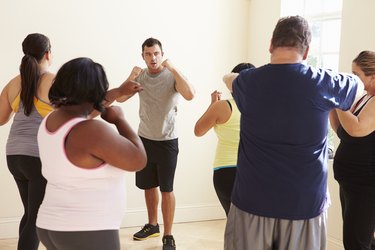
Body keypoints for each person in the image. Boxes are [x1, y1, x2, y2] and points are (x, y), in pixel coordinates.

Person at [222, 15, 362, 250]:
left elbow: (228, 78)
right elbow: (357, 84)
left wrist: (241, 78)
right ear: (306, 52)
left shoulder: (247, 83)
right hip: (304, 206)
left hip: (252, 201)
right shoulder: (324, 83)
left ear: (270, 45)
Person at [35, 57, 147, 250]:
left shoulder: (52, 120)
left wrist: (119, 92)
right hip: (87, 228)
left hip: (50, 225)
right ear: (96, 90)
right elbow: (138, 160)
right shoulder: (92, 130)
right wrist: (120, 120)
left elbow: (86, 113)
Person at [117, 37, 195, 250]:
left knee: (166, 189)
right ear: (142, 56)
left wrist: (173, 67)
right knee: (148, 185)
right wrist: (131, 76)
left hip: (167, 140)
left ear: (162, 54)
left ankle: (168, 235)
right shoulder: (140, 76)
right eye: (148, 54)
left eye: (156, 53)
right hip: (144, 139)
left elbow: (190, 94)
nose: (153, 58)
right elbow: (121, 99)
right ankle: (153, 225)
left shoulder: (171, 75)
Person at [0, 33, 54, 250]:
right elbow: (79, 111)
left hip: (14, 156)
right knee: (36, 218)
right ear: (48, 53)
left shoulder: (14, 82)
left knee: (31, 214)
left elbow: (1, 118)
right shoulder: (52, 80)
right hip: (37, 157)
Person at [194, 63, 255, 216]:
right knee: (250, 224)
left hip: (225, 172)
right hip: (253, 170)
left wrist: (212, 105)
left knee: (234, 223)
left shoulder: (222, 106)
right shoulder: (262, 109)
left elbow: (198, 131)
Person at [329, 50, 375, 250]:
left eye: (356, 75)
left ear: (372, 76)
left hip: (365, 184)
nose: (352, 78)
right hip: (350, 181)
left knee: (356, 243)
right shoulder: (365, 98)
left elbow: (357, 129)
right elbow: (341, 130)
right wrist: (332, 102)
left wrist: (339, 100)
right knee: (363, 241)